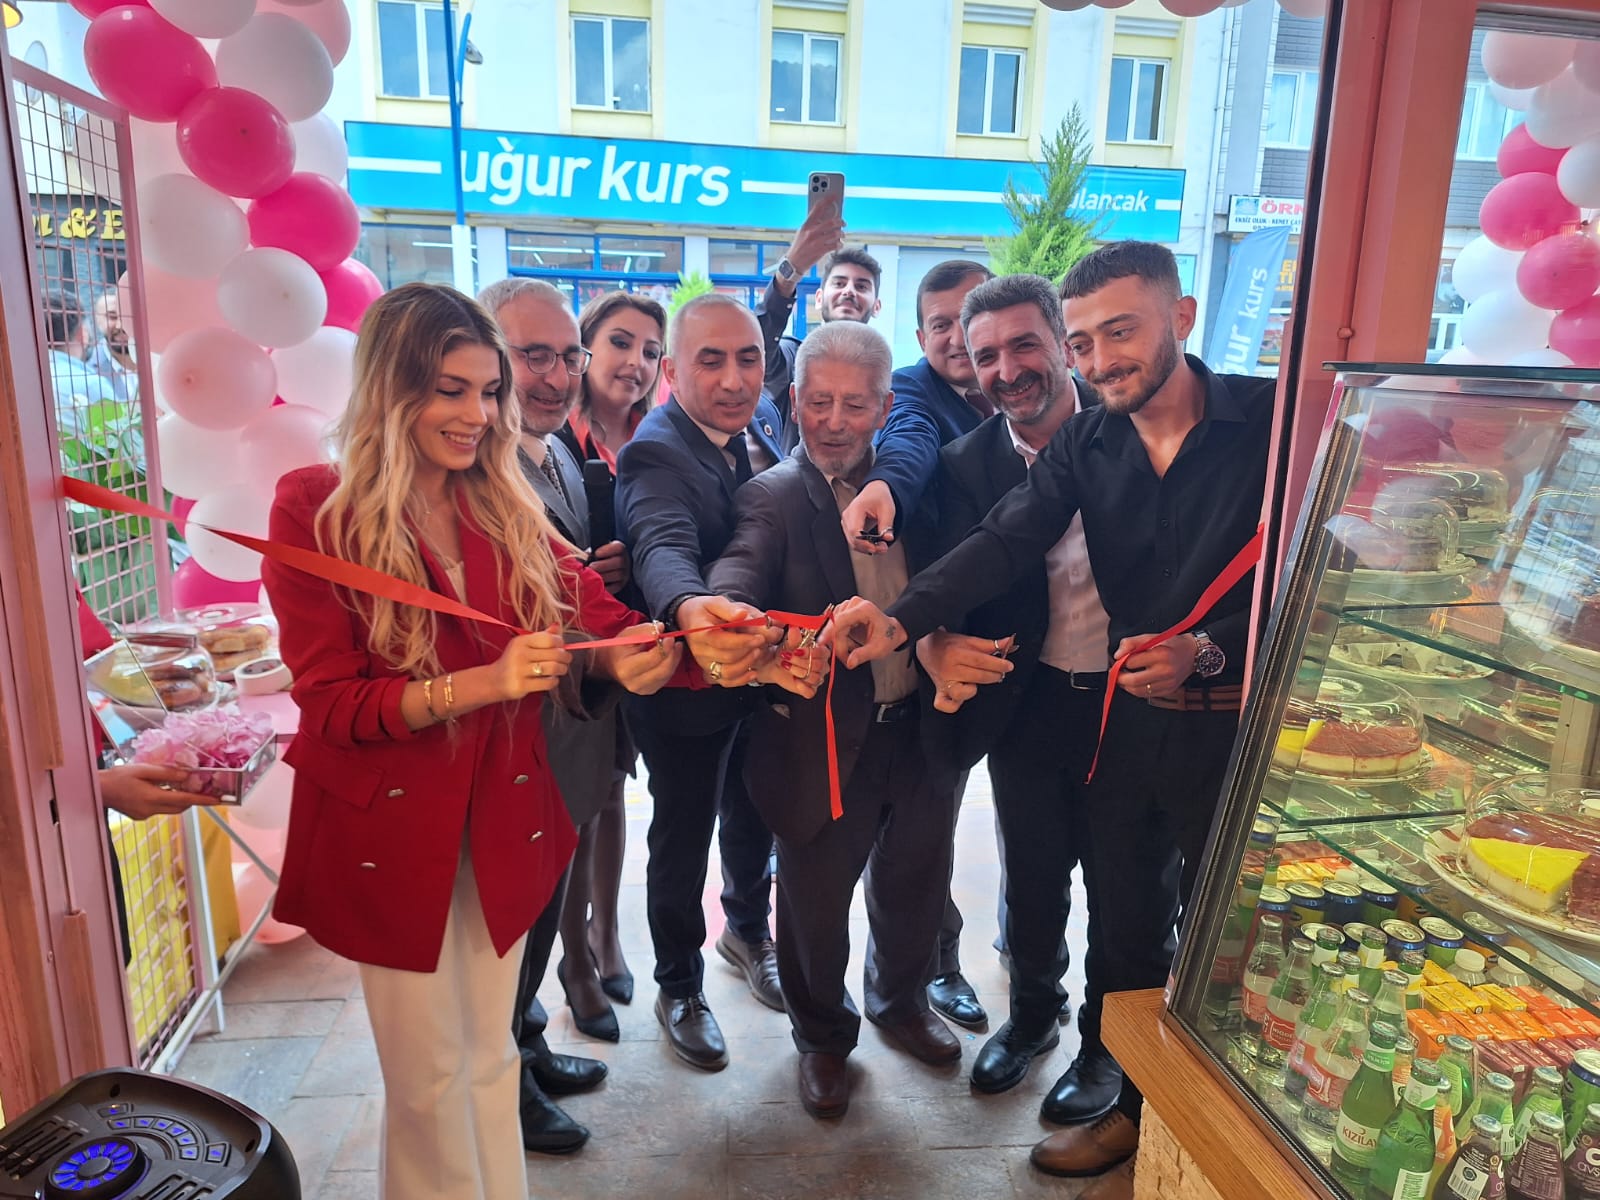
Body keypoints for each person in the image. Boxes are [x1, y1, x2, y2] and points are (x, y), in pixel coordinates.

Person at [831, 242, 1272, 1200]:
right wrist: (902, 622)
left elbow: (1311, 568)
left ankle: (1223, 1124)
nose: (1102, 359)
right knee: (1119, 913)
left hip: (1231, 732)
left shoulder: (1272, 419)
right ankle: (1127, 1099)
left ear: (1182, 317)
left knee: (1227, 937)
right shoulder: (1087, 444)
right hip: (1113, 718)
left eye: (1121, 331)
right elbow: (1003, 538)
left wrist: (1208, 651)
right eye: (1086, 341)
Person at [260, 281, 685, 1200]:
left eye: (488, 391)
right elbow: (332, 706)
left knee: (490, 1059)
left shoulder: (501, 501)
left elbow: (598, 619)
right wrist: (483, 685)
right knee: (428, 1079)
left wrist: (656, 653)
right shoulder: (317, 505)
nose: (479, 414)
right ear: (390, 387)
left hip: (504, 815)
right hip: (390, 832)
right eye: (450, 390)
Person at [707, 321, 961, 1119]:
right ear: (794, 400)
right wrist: (736, 621)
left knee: (916, 883)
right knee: (813, 906)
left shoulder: (918, 486)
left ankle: (900, 1003)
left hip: (918, 728)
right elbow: (737, 574)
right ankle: (821, 1038)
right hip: (816, 743)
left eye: (856, 405)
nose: (836, 422)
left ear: (885, 408)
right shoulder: (773, 496)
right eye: (820, 402)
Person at [914, 273, 1110, 1110]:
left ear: (1064, 343)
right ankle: (1032, 1018)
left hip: (1130, 700)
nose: (1007, 370)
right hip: (1025, 698)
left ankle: (1108, 1044)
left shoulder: (1129, 432)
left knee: (1130, 886)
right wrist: (929, 638)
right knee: (1032, 873)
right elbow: (944, 574)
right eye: (986, 355)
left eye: (1025, 344)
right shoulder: (965, 464)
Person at [614, 293, 792, 1069]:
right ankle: (679, 984)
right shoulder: (655, 453)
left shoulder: (763, 421)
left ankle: (747, 935)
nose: (733, 379)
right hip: (683, 688)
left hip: (762, 675)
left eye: (748, 359)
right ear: (672, 372)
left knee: (755, 813)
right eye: (710, 361)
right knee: (683, 837)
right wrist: (689, 607)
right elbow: (659, 542)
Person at [477, 277, 616, 1155]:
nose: (558, 376)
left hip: (571, 729)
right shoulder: (474, 471)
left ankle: (526, 1042)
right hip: (513, 740)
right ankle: (507, 1085)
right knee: (510, 926)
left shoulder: (557, 451)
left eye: (569, 355)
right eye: (534, 355)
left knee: (542, 909)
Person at [553, 290, 663, 1028]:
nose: (635, 362)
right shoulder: (552, 441)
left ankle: (607, 934)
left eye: (651, 351)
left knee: (615, 794)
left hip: (642, 641)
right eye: (620, 343)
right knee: (578, 805)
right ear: (585, 349)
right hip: (573, 651)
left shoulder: (658, 437)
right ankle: (572, 959)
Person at [760, 245, 883, 422]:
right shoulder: (791, 358)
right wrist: (790, 269)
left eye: (861, 286)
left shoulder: (880, 375)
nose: (849, 291)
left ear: (876, 306)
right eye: (839, 283)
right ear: (819, 298)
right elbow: (759, 348)